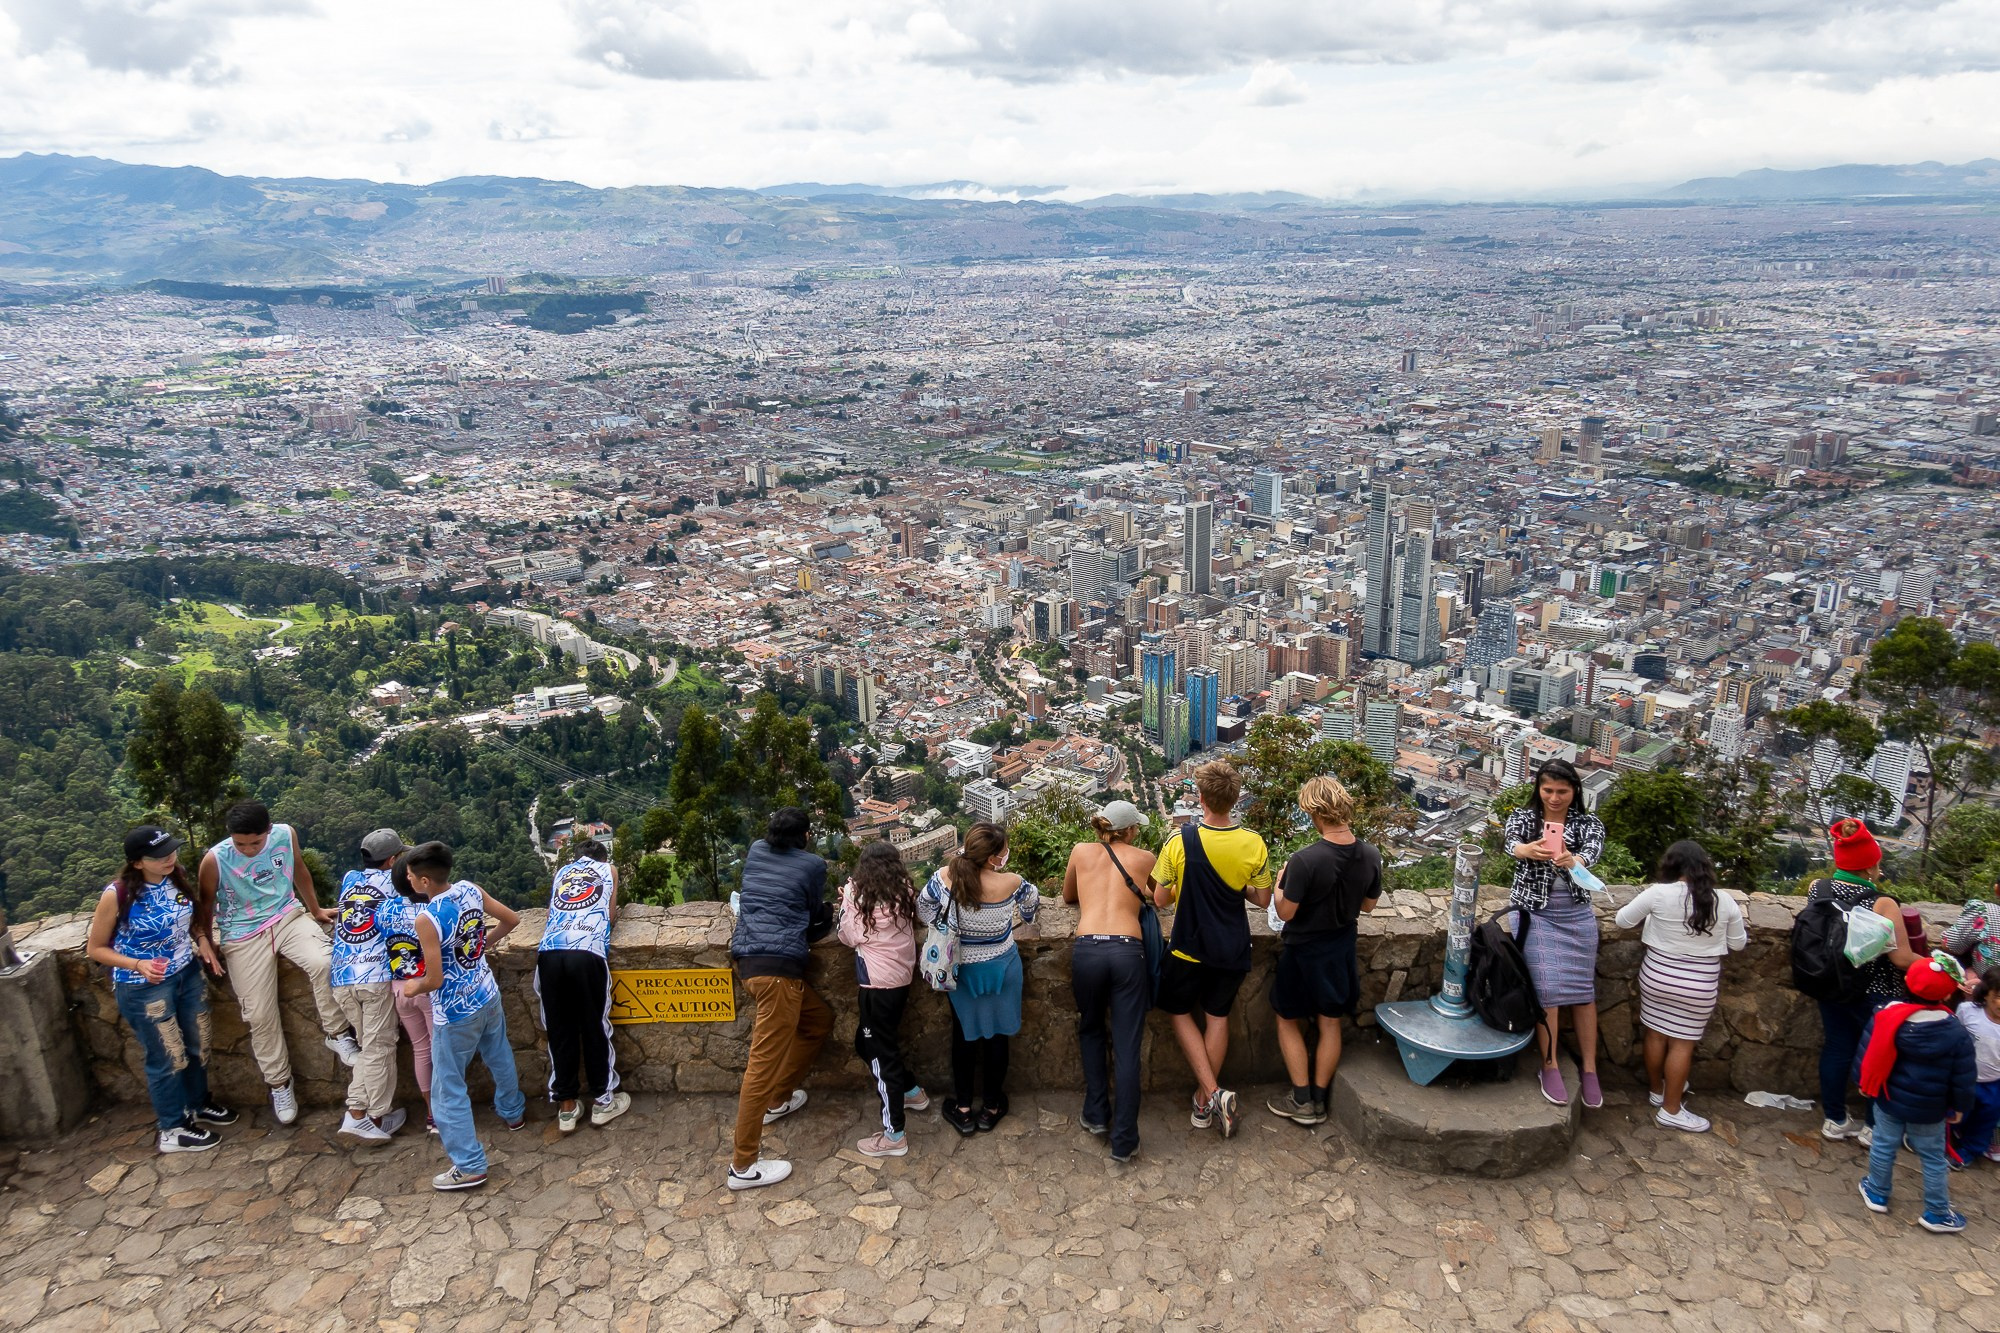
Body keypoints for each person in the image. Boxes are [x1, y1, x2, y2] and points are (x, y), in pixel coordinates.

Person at [193, 800, 358, 1127]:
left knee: (325, 962)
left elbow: (299, 869)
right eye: (241, 843)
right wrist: (206, 941)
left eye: (256, 842)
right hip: (241, 933)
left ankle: (337, 1032)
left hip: (286, 916)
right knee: (258, 1013)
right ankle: (280, 1084)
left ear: (268, 831)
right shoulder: (215, 860)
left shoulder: (285, 835)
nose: (249, 849)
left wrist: (315, 910)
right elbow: (206, 903)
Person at [85, 827, 238, 1154]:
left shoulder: (176, 876)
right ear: (138, 863)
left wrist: (202, 941)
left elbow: (191, 917)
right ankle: (172, 1128)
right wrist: (137, 965)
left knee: (199, 1041)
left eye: (171, 851)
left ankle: (198, 1104)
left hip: (186, 973)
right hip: (144, 987)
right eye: (159, 856)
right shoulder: (118, 894)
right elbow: (95, 948)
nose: (169, 858)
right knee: (167, 1055)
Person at [1150, 759, 1272, 1139]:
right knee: (1217, 1016)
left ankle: (1213, 1092)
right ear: (1234, 800)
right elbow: (1263, 898)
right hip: (1232, 948)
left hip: (1188, 946)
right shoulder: (1253, 843)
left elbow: (1160, 899)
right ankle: (1203, 1103)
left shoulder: (1179, 841)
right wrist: (1238, 885)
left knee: (1177, 1010)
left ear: (1200, 798)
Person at [399, 841, 525, 1191]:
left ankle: (469, 1165)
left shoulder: (429, 918)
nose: (408, 880)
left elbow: (434, 979)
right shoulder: (469, 889)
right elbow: (511, 920)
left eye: (410, 876)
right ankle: (513, 1114)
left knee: (446, 1089)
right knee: (499, 1054)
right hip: (487, 992)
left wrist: (411, 988)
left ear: (424, 881)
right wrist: (483, 945)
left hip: (454, 1013)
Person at [727, 807, 834, 1190]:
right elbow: (813, 913)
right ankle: (743, 1165)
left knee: (818, 1021)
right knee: (760, 1068)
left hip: (747, 961)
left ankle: (779, 1099)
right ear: (804, 836)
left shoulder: (756, 850)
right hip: (778, 973)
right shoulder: (812, 866)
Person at [1266, 777, 1380, 1128]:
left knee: (1287, 1018)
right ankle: (1318, 1097)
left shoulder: (1306, 859)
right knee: (1330, 1023)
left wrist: (1278, 883)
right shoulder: (1370, 854)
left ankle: (1300, 1099)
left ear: (1316, 813)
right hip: (1341, 946)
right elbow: (1370, 905)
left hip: (1304, 951)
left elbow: (1285, 912)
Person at [1613, 840, 1748, 1134]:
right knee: (1682, 1043)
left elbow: (1622, 920)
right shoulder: (1723, 900)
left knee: (1656, 1034)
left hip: (1658, 974)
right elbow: (1738, 943)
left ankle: (1657, 1091)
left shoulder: (1658, 894)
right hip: (1699, 982)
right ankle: (1671, 1110)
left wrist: (1656, 920)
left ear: (1671, 865)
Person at [919, 821, 1040, 1136]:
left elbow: (923, 909)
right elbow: (1031, 911)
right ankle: (990, 1107)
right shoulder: (1011, 883)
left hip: (962, 971)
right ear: (992, 858)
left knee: (964, 1037)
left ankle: (962, 1109)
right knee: (997, 1037)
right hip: (1002, 967)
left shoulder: (944, 878)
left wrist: (947, 928)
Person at [1503, 758, 1607, 1109]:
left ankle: (1590, 1069)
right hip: (1535, 913)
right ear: (1539, 789)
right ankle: (1549, 1064)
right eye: (1548, 790)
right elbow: (1510, 843)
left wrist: (1573, 860)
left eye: (1562, 791)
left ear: (1574, 791)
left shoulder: (1588, 823)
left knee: (1583, 992)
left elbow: (1592, 852)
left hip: (1575, 915)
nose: (1554, 797)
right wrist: (1527, 850)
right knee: (1546, 989)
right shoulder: (1525, 817)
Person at [1811, 817, 1921, 1148]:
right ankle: (1873, 1127)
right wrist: (1937, 964)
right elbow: (1901, 958)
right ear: (1870, 865)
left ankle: (1835, 1119)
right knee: (1878, 1055)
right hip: (1873, 992)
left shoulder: (1819, 888)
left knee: (1836, 1047)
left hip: (1830, 983)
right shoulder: (1882, 903)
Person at [1062, 799, 1158, 1163]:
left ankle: (1096, 1113)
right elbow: (1158, 896)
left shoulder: (1080, 851)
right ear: (1130, 830)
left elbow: (1069, 895)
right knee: (1127, 1044)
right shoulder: (1144, 857)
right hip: (1126, 950)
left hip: (1087, 948)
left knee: (1090, 1029)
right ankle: (1124, 1138)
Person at [1854, 956, 1977, 1233]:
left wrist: (1864, 1083)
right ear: (1947, 993)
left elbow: (1867, 1051)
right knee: (1933, 1157)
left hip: (1889, 1099)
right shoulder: (1956, 1031)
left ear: (1907, 982)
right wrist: (1960, 1106)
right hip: (1930, 1108)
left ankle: (1876, 1192)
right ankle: (1936, 1212)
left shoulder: (1885, 1014)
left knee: (1884, 1145)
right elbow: (1964, 1075)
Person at [837, 839, 929, 1158]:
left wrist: (847, 903)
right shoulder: (904, 890)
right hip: (901, 978)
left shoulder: (857, 894)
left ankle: (894, 1136)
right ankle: (911, 1091)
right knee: (869, 1044)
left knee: (880, 1055)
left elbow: (848, 936)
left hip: (876, 983)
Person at [329, 828, 418, 1143]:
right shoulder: (397, 887)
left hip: (341, 977)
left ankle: (361, 1112)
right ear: (393, 859)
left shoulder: (350, 881)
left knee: (369, 1046)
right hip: (374, 977)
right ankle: (369, 1116)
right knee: (379, 1047)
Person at [536, 840, 630, 1134]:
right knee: (594, 1026)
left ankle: (566, 1107)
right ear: (602, 858)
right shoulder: (608, 869)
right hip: (587, 951)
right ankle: (603, 1102)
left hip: (549, 953)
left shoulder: (562, 871)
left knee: (559, 1029)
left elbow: (553, 909)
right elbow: (611, 915)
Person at [1949, 967, 2000, 1168]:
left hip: (1994, 1083)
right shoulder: (1968, 1011)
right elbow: (1954, 1037)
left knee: (1986, 1119)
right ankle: (1952, 1137)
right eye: (1998, 996)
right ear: (1985, 993)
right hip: (1965, 1079)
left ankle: (1969, 1151)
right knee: (1958, 1113)